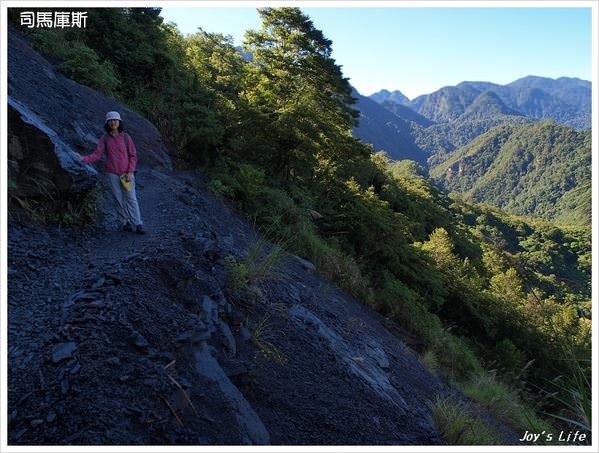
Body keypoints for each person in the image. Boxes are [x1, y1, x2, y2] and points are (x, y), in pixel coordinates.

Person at [78, 111, 146, 234]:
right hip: (112, 173)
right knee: (118, 198)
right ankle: (124, 222)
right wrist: (83, 159)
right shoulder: (104, 139)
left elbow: (133, 156)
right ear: (107, 123)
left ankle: (138, 223)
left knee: (131, 198)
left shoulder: (126, 137)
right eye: (110, 120)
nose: (113, 122)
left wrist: (131, 171)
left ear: (119, 122)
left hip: (126, 173)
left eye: (115, 120)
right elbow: (97, 154)